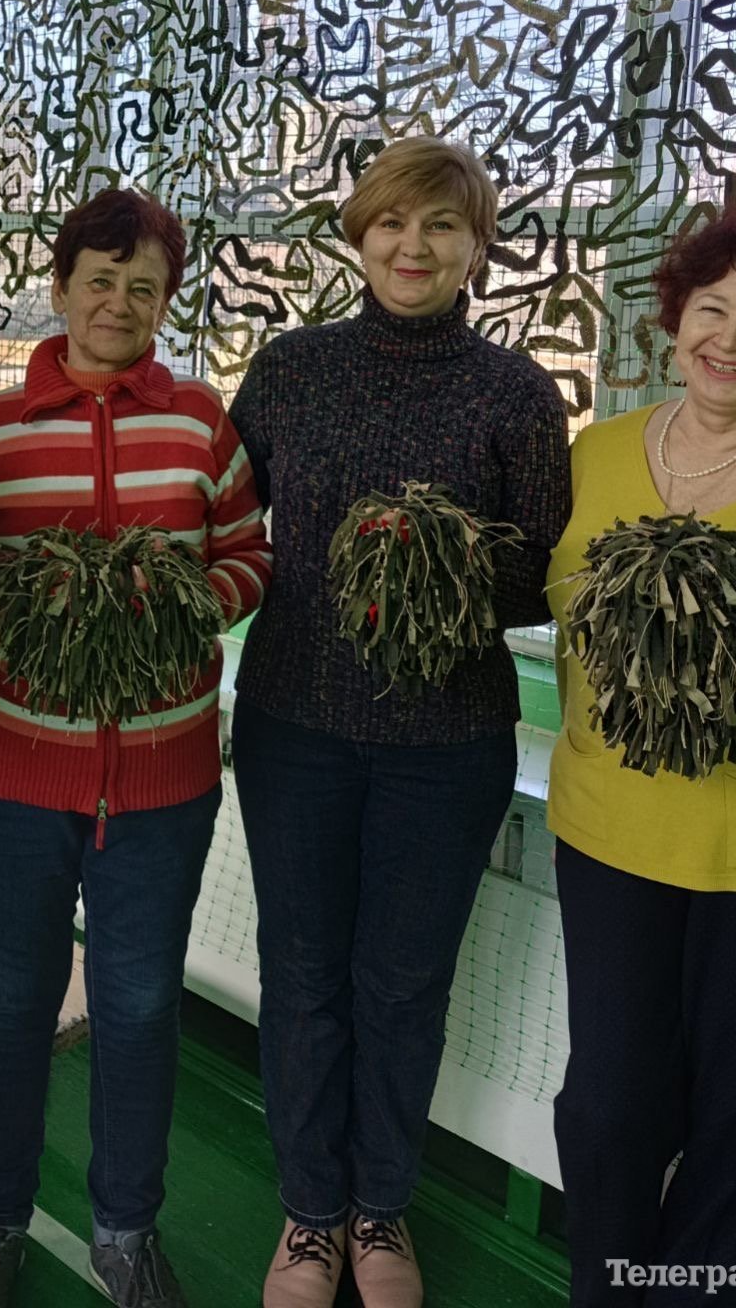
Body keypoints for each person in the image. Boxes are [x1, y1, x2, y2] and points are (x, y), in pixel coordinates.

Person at [228, 136, 571, 1308]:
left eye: (440, 225)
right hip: (295, 723)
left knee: (401, 984)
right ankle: (308, 1215)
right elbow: (224, 515)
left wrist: (436, 557)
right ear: (358, 236)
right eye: (390, 222)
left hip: (447, 741)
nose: (411, 246)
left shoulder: (513, 393)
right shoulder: (290, 370)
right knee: (302, 973)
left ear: (477, 247)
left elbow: (539, 574)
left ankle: (380, 1207)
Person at [0, 187, 272, 1308]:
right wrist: (33, 625)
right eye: (99, 281)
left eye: (144, 287)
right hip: (14, 777)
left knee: (136, 1009)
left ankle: (124, 1231)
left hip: (162, 784)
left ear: (166, 301)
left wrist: (181, 606)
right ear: (60, 288)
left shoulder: (198, 422)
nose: (118, 304)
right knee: (11, 1004)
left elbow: (248, 555)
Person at [548, 209, 736, 1307]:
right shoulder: (600, 451)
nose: (731, 339)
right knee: (607, 1108)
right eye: (711, 308)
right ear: (672, 322)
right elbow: (560, 605)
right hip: (610, 829)